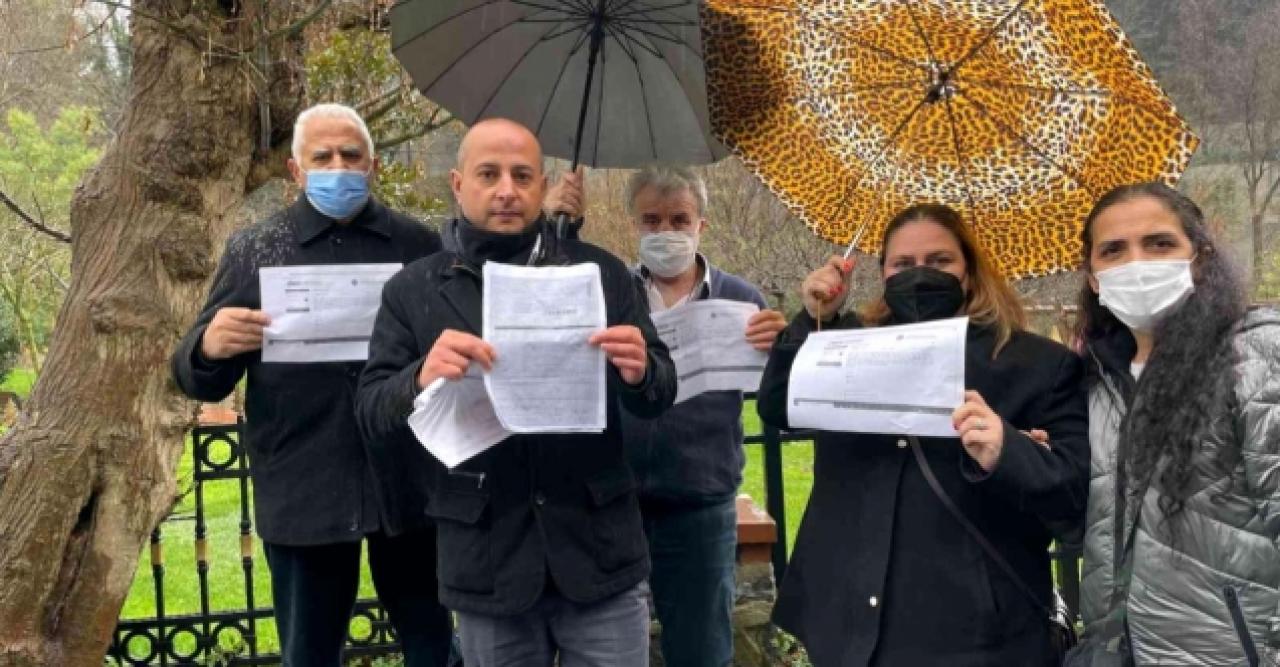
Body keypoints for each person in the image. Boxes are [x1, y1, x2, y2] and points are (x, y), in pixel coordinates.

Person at [355, 118, 676, 667]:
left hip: (597, 548)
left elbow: (660, 393)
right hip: (487, 557)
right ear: (458, 184)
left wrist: (642, 370)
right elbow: (370, 411)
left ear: (542, 185)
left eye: (522, 176)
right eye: (489, 174)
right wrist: (419, 376)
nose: (507, 190)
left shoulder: (598, 271)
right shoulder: (412, 289)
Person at [170, 104, 454, 667]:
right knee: (309, 652)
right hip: (304, 485)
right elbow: (199, 378)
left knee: (433, 645)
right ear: (296, 171)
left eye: (350, 155)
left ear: (372, 164)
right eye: (321, 157)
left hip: (408, 482)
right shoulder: (258, 249)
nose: (338, 167)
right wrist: (206, 347)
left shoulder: (417, 245)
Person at [755, 203, 1090, 666]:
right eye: (903, 263)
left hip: (975, 632)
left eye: (939, 260)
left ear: (969, 271)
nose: (920, 273)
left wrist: (1007, 450)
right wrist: (815, 319)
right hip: (846, 618)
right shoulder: (849, 345)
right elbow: (778, 406)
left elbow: (1072, 497)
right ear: (882, 273)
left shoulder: (1037, 365)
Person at [548, 165, 787, 666]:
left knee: (702, 649)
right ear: (634, 224)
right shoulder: (611, 292)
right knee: (609, 650)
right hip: (615, 502)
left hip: (701, 506)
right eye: (651, 220)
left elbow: (775, 397)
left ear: (702, 224)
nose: (665, 231)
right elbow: (551, 304)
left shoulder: (743, 300)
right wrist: (560, 228)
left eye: (679, 219)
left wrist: (781, 348)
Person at [1073, 183, 1280, 665]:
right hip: (1122, 650)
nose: (1137, 263)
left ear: (1199, 258)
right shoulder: (1099, 381)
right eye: (1113, 250)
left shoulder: (1253, 356)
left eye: (1159, 243)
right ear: (1094, 278)